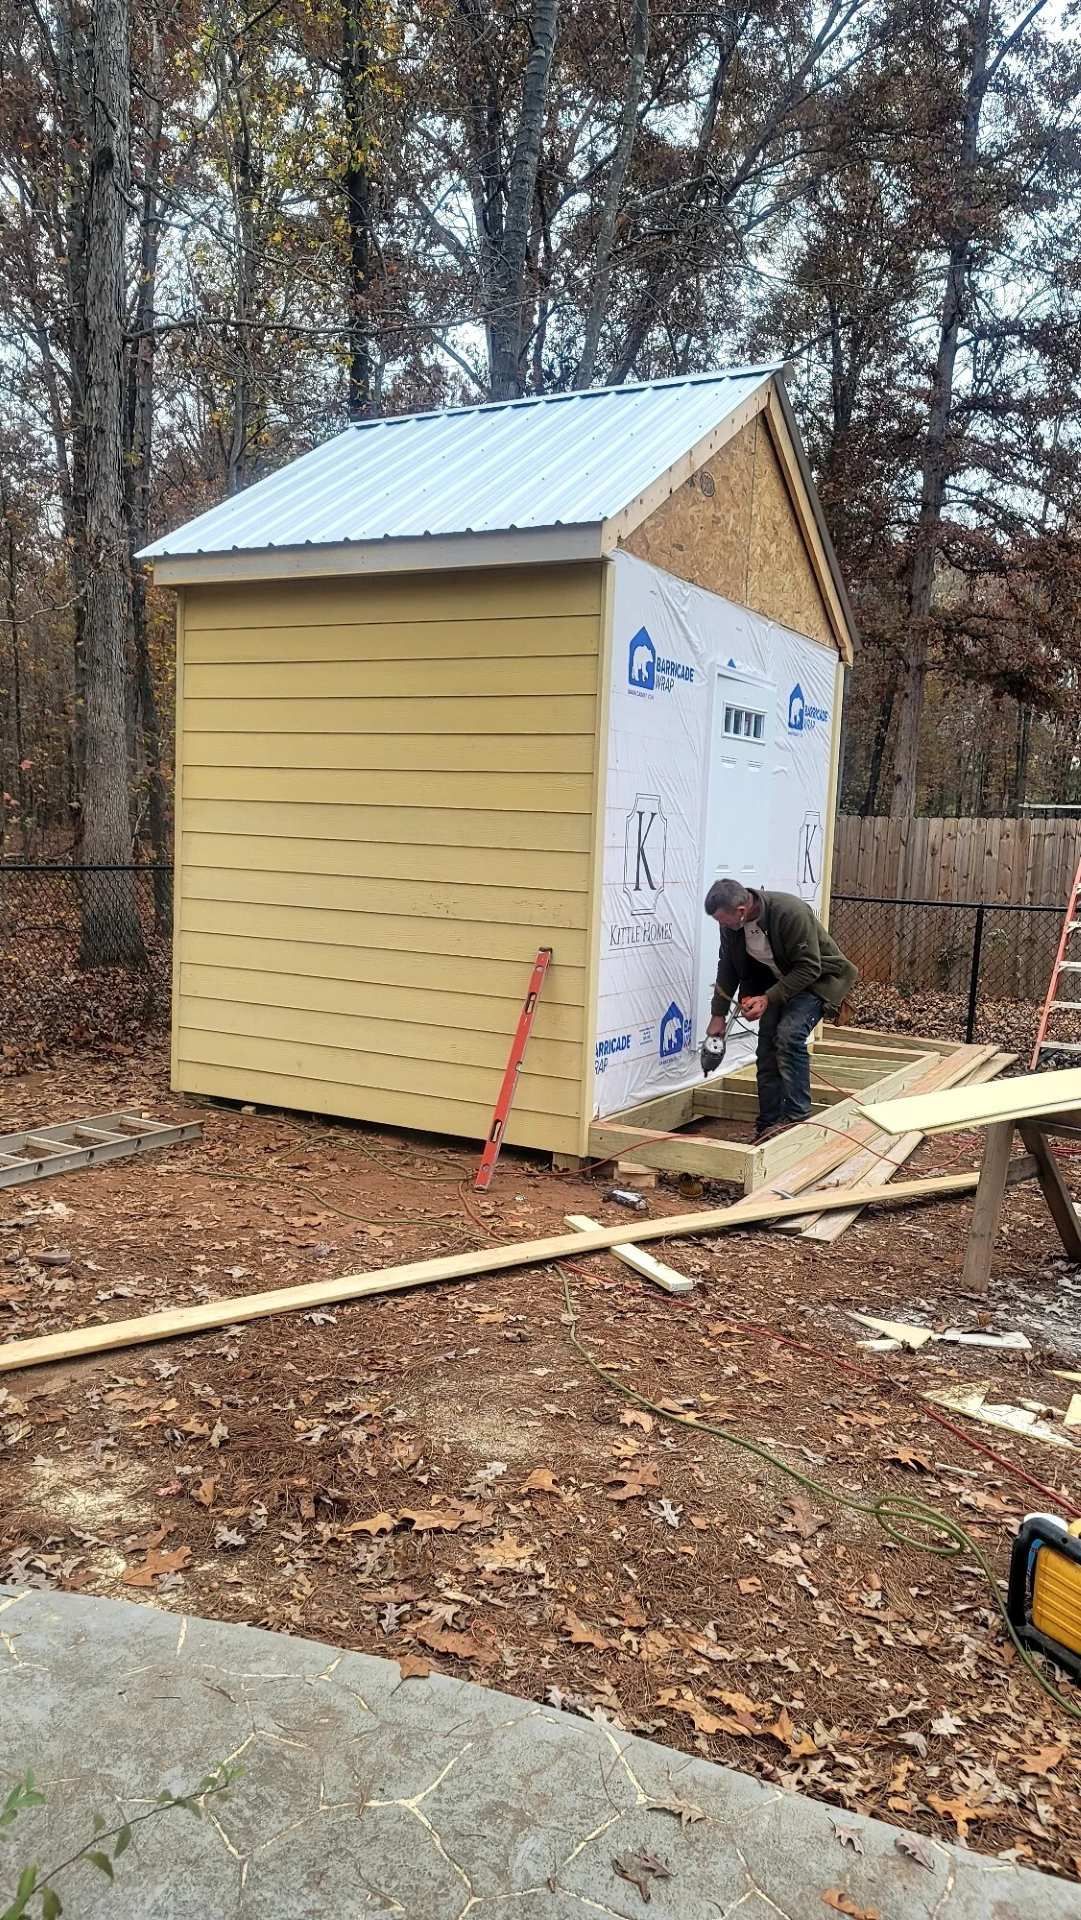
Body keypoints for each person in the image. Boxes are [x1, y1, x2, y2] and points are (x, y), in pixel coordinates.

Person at [703, 878, 857, 1141]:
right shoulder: (732, 926)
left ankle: (797, 1121)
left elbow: (810, 967)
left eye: (723, 920)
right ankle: (768, 1125)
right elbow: (727, 966)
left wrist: (767, 998)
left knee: (788, 1036)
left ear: (741, 911)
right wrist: (718, 1015)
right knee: (766, 1049)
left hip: (818, 981)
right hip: (778, 983)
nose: (721, 926)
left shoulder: (790, 912)